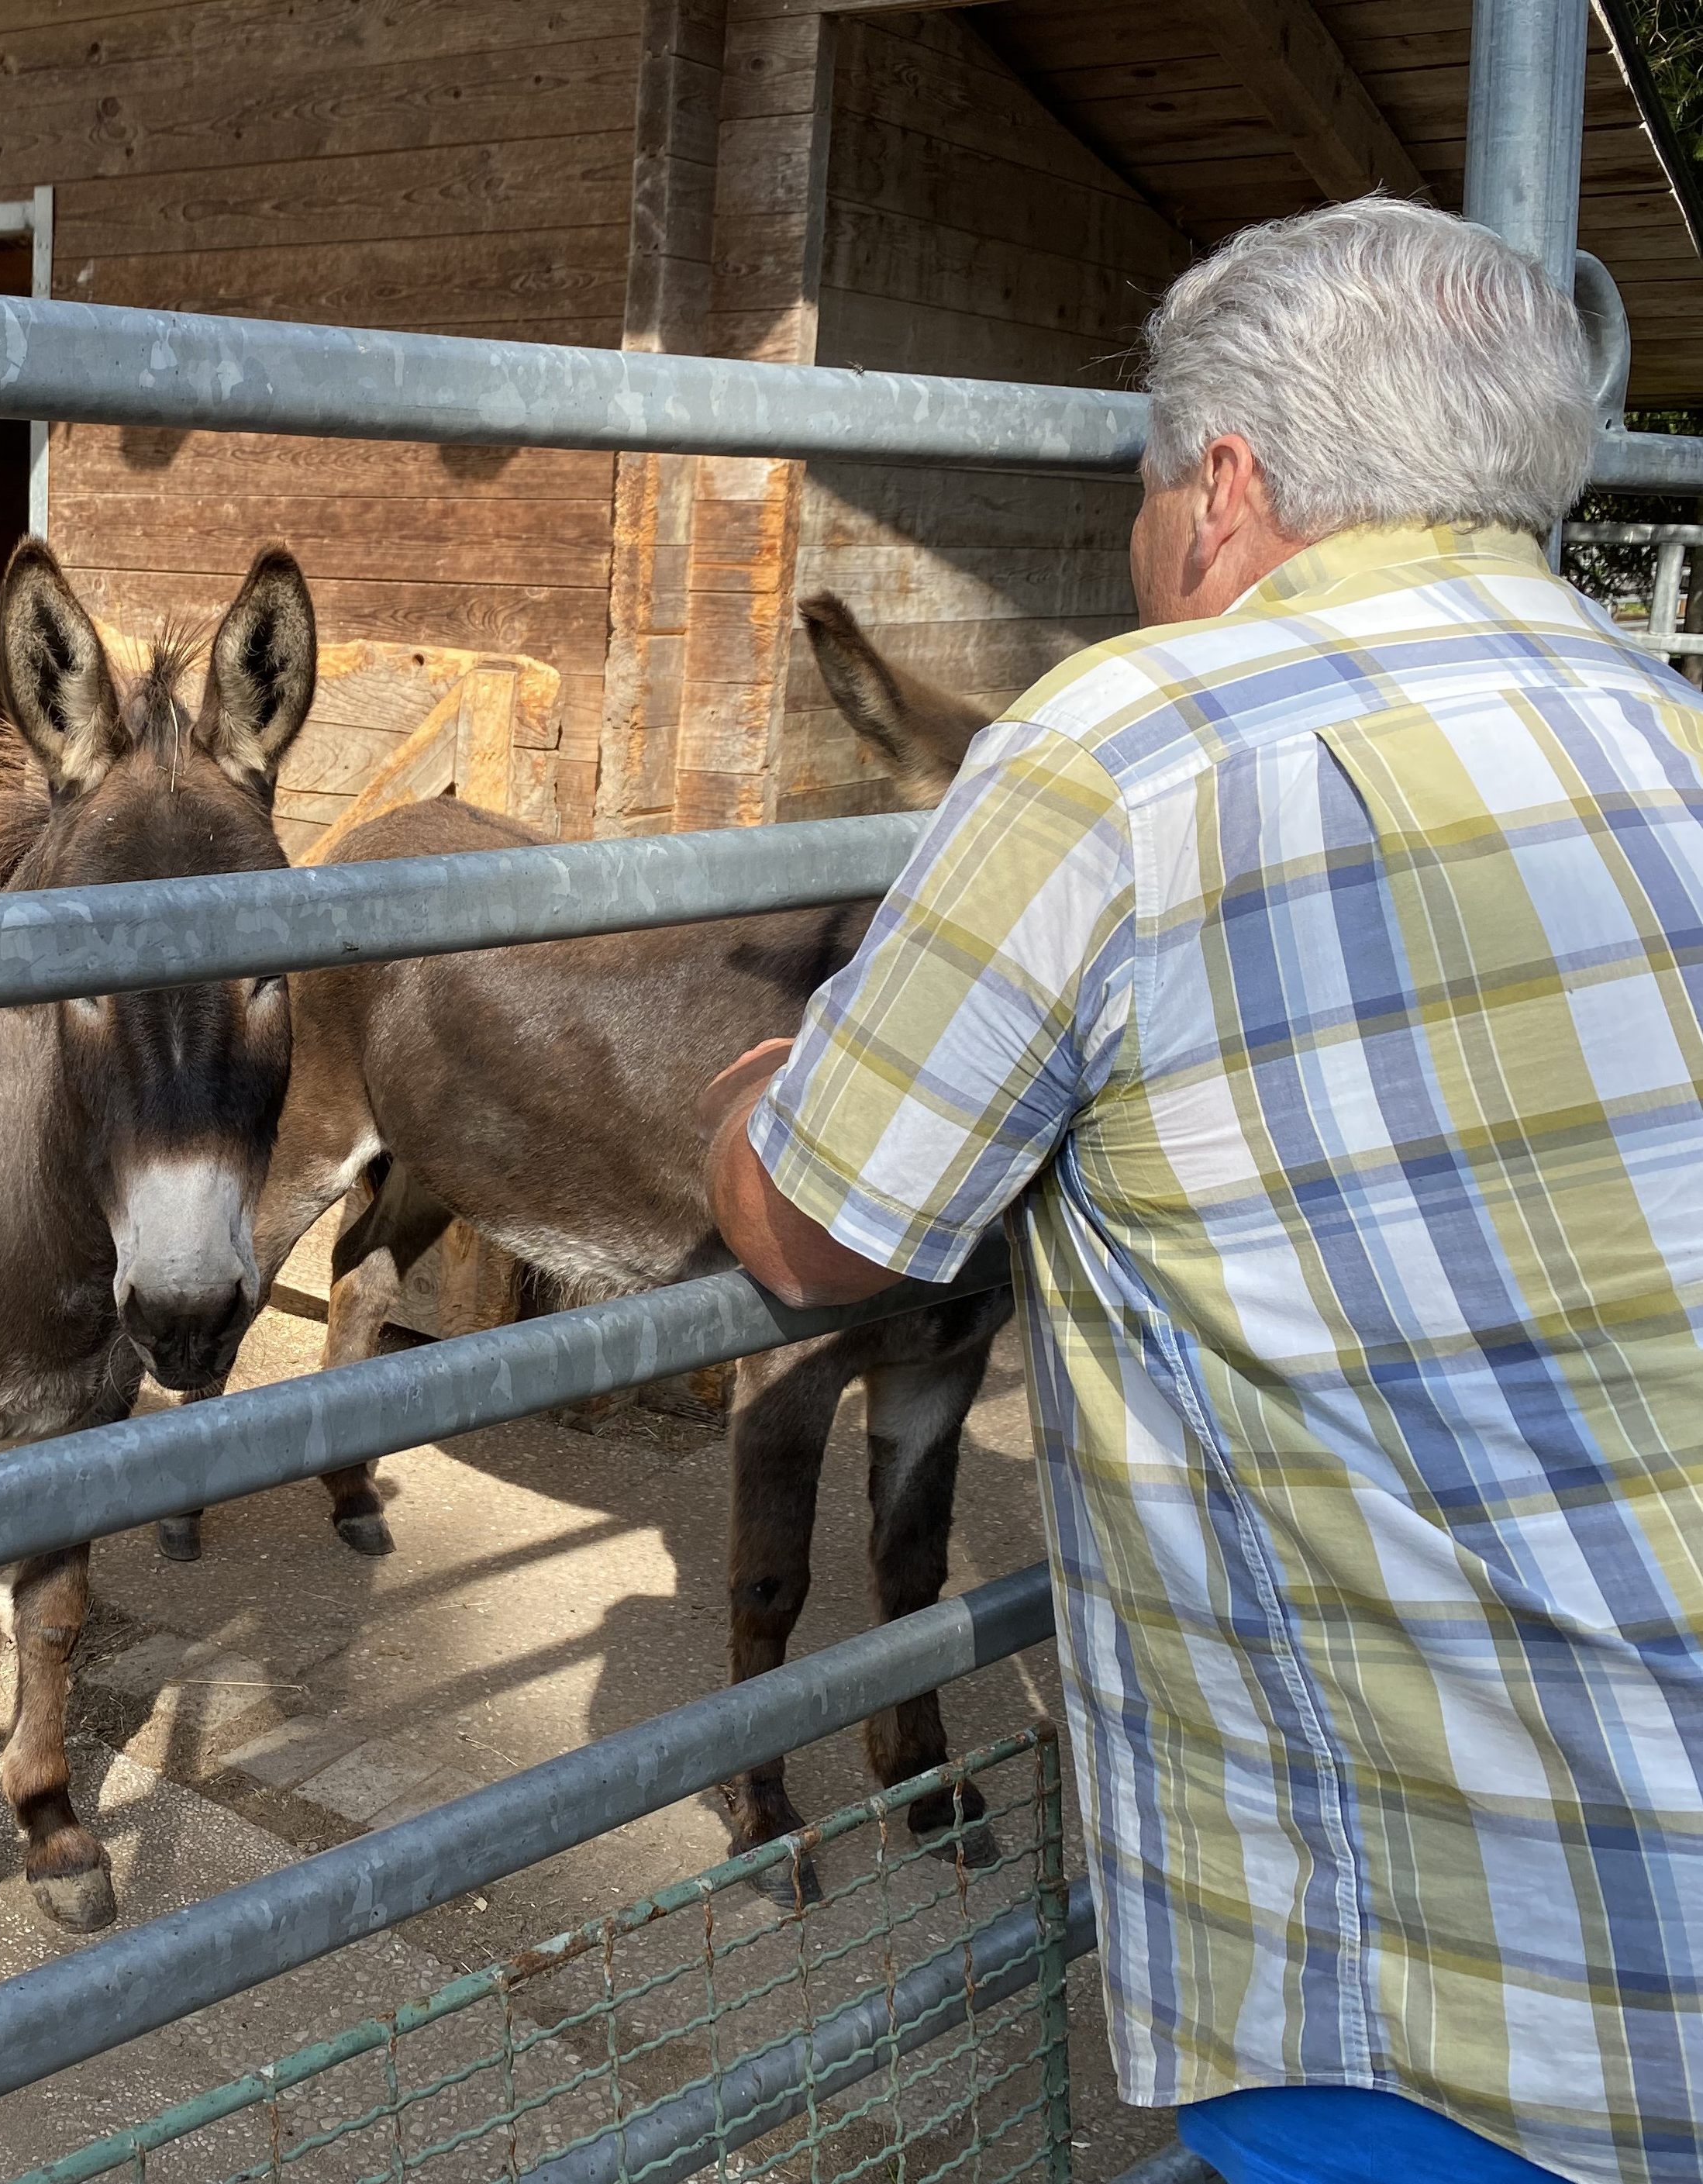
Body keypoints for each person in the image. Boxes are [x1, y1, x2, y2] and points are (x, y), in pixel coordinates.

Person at [702, 198, 1703, 2184]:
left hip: (1465, 1997)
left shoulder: (1129, 735)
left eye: (1144, 486)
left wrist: (758, 1083)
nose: (1140, 540)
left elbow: (824, 1221)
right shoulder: (1665, 721)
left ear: (1226, 485)